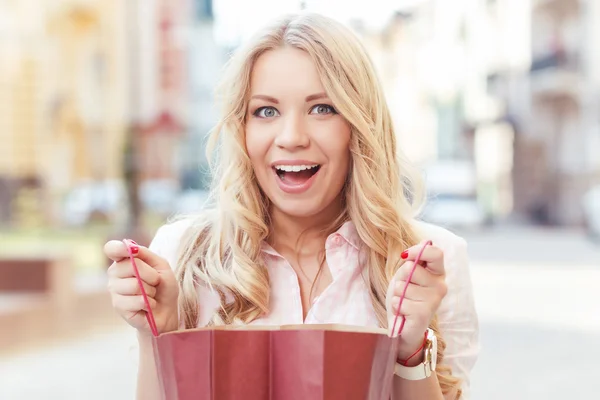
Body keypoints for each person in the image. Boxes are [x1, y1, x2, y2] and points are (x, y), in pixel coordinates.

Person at [104, 12, 479, 400]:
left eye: (322, 108)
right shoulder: (182, 254)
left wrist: (412, 349)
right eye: (266, 111)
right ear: (242, 129)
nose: (291, 137)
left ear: (360, 126)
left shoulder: (431, 264)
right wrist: (155, 335)